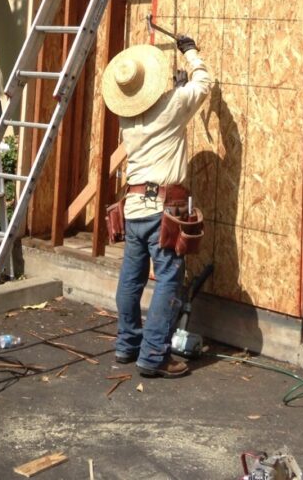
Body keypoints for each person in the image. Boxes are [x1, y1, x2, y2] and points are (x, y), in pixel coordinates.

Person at [101, 33, 212, 378]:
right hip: (162, 211)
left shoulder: (127, 119)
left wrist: (175, 92)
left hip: (133, 209)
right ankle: (153, 356)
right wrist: (191, 52)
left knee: (131, 280)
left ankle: (126, 345)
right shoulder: (173, 105)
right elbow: (205, 84)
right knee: (167, 280)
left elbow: (163, 109)